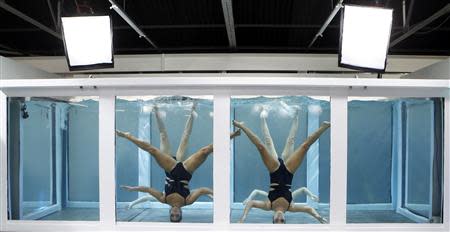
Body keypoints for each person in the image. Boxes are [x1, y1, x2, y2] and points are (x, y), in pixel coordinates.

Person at [117, 102, 241, 222]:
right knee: (203, 150)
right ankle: (227, 133)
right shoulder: (188, 201)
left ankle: (131, 133)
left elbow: (148, 190)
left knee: (155, 146)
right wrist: (218, 194)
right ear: (181, 213)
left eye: (173, 216)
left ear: (170, 213)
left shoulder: (163, 199)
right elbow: (203, 190)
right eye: (177, 216)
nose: (175, 213)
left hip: (170, 169)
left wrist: (133, 188)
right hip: (186, 171)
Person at [233, 107, 330, 224]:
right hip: (289, 171)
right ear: (285, 219)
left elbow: (251, 203)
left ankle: (242, 126)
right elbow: (308, 209)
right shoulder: (291, 207)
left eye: (276, 220)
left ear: (273, 219)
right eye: (282, 220)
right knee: (304, 146)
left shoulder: (268, 205)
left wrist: (243, 218)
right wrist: (318, 217)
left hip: (274, 170)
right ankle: (324, 127)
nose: (279, 217)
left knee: (262, 146)